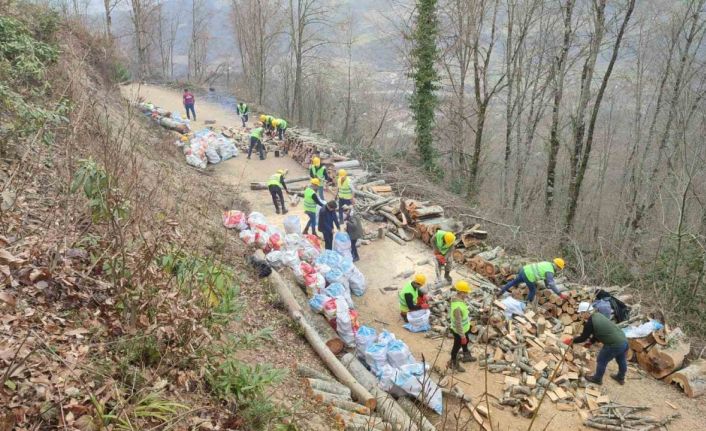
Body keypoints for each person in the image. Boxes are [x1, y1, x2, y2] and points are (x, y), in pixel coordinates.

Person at [563, 302, 628, 385]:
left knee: (601, 360)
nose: (581, 316)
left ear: (586, 312)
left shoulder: (590, 323)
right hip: (623, 340)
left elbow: (583, 337)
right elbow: (598, 331)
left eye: (581, 313)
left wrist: (572, 340)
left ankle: (597, 379)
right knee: (621, 359)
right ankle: (620, 377)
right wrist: (591, 342)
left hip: (614, 344)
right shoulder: (598, 315)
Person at [497, 258, 569, 303]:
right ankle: (525, 304)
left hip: (524, 269)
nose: (559, 270)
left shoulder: (547, 264)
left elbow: (545, 279)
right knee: (533, 290)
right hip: (529, 275)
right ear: (558, 266)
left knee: (513, 282)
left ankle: (500, 292)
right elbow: (552, 283)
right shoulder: (550, 271)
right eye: (559, 269)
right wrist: (560, 294)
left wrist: (547, 286)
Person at [449, 281, 476, 372]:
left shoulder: (459, 300)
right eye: (466, 292)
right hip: (459, 331)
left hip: (465, 328)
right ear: (461, 292)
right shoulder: (457, 307)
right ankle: (453, 363)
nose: (467, 294)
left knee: (466, 341)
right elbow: (458, 323)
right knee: (456, 347)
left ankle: (466, 355)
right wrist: (462, 336)